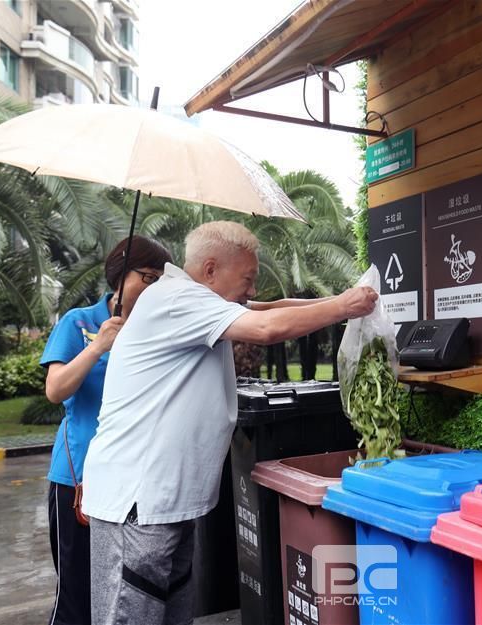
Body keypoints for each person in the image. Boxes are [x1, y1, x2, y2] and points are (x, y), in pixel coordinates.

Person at [82, 221, 377, 625]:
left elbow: (270, 310)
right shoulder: (175, 300)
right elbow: (268, 329)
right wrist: (345, 307)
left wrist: (345, 300)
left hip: (166, 501)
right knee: (131, 615)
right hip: (137, 501)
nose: (253, 290)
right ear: (210, 271)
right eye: (248, 279)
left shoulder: (196, 301)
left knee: (168, 612)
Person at [40, 235, 173, 625]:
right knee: (77, 595)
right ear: (119, 273)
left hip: (135, 484)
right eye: (147, 277)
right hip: (79, 481)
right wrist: (98, 346)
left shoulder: (154, 330)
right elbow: (56, 389)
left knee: (121, 594)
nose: (153, 288)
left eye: (160, 281)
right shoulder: (78, 322)